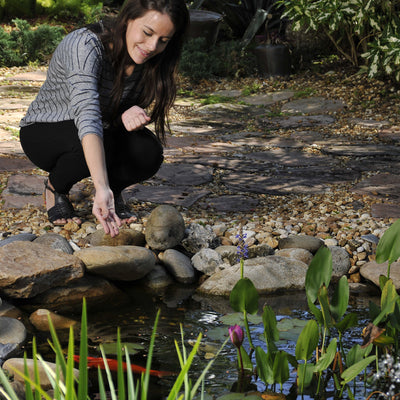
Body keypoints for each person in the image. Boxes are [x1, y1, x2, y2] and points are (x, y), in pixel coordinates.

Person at [19, 0, 189, 237]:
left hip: (100, 127)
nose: (152, 46)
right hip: (45, 130)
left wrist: (127, 113)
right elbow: (87, 114)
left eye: (163, 40)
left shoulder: (152, 59)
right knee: (100, 142)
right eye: (147, 32)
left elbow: (109, 117)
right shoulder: (84, 45)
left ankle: (114, 189)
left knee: (148, 152)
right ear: (128, 18)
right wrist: (100, 187)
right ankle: (55, 187)